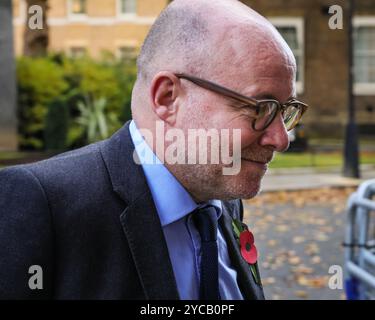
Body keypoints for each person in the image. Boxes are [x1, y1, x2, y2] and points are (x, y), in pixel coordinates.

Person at [0, 0, 308, 299]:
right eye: (261, 109)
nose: (281, 139)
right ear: (167, 98)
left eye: (285, 110)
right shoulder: (44, 204)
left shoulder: (222, 197)